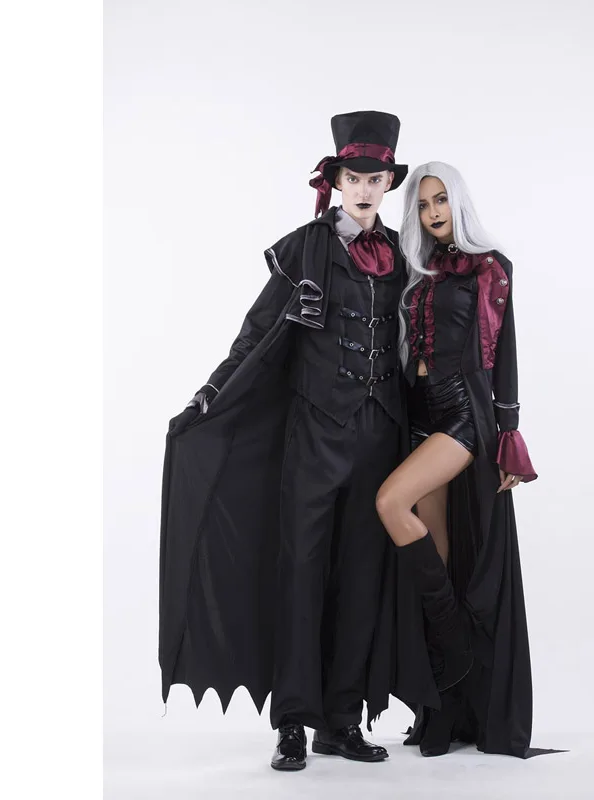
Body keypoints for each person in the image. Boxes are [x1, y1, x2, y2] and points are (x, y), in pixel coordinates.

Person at [158, 111, 415, 771]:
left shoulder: (402, 254)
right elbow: (255, 332)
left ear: (389, 182)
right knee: (300, 573)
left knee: (362, 575)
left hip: (380, 433)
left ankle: (342, 720)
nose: (364, 188)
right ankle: (294, 722)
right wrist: (209, 393)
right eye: (354, 177)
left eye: (375, 178)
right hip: (314, 433)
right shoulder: (303, 247)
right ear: (337, 180)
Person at [376, 162, 539, 757]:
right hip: (419, 413)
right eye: (422, 205)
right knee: (438, 559)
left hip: (464, 415)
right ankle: (444, 701)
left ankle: (459, 654)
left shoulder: (490, 266)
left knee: (390, 503)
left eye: (440, 199)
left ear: (458, 202)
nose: (432, 212)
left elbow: (505, 351)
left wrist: (509, 432)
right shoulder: (414, 272)